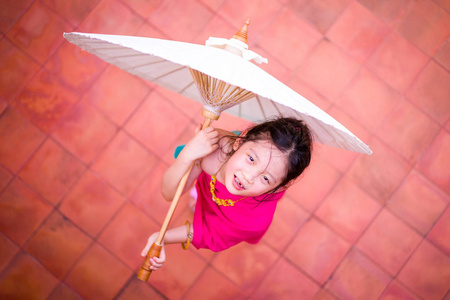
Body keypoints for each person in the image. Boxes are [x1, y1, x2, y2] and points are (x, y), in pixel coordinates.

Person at [141, 117, 313, 271]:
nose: (248, 177)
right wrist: (188, 155)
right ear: (240, 140)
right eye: (251, 159)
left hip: (249, 205)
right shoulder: (214, 147)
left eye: (266, 178)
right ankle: (201, 191)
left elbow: (212, 233)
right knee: (196, 178)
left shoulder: (253, 221)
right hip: (221, 166)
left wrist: (162, 237)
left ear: (281, 187)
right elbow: (169, 193)